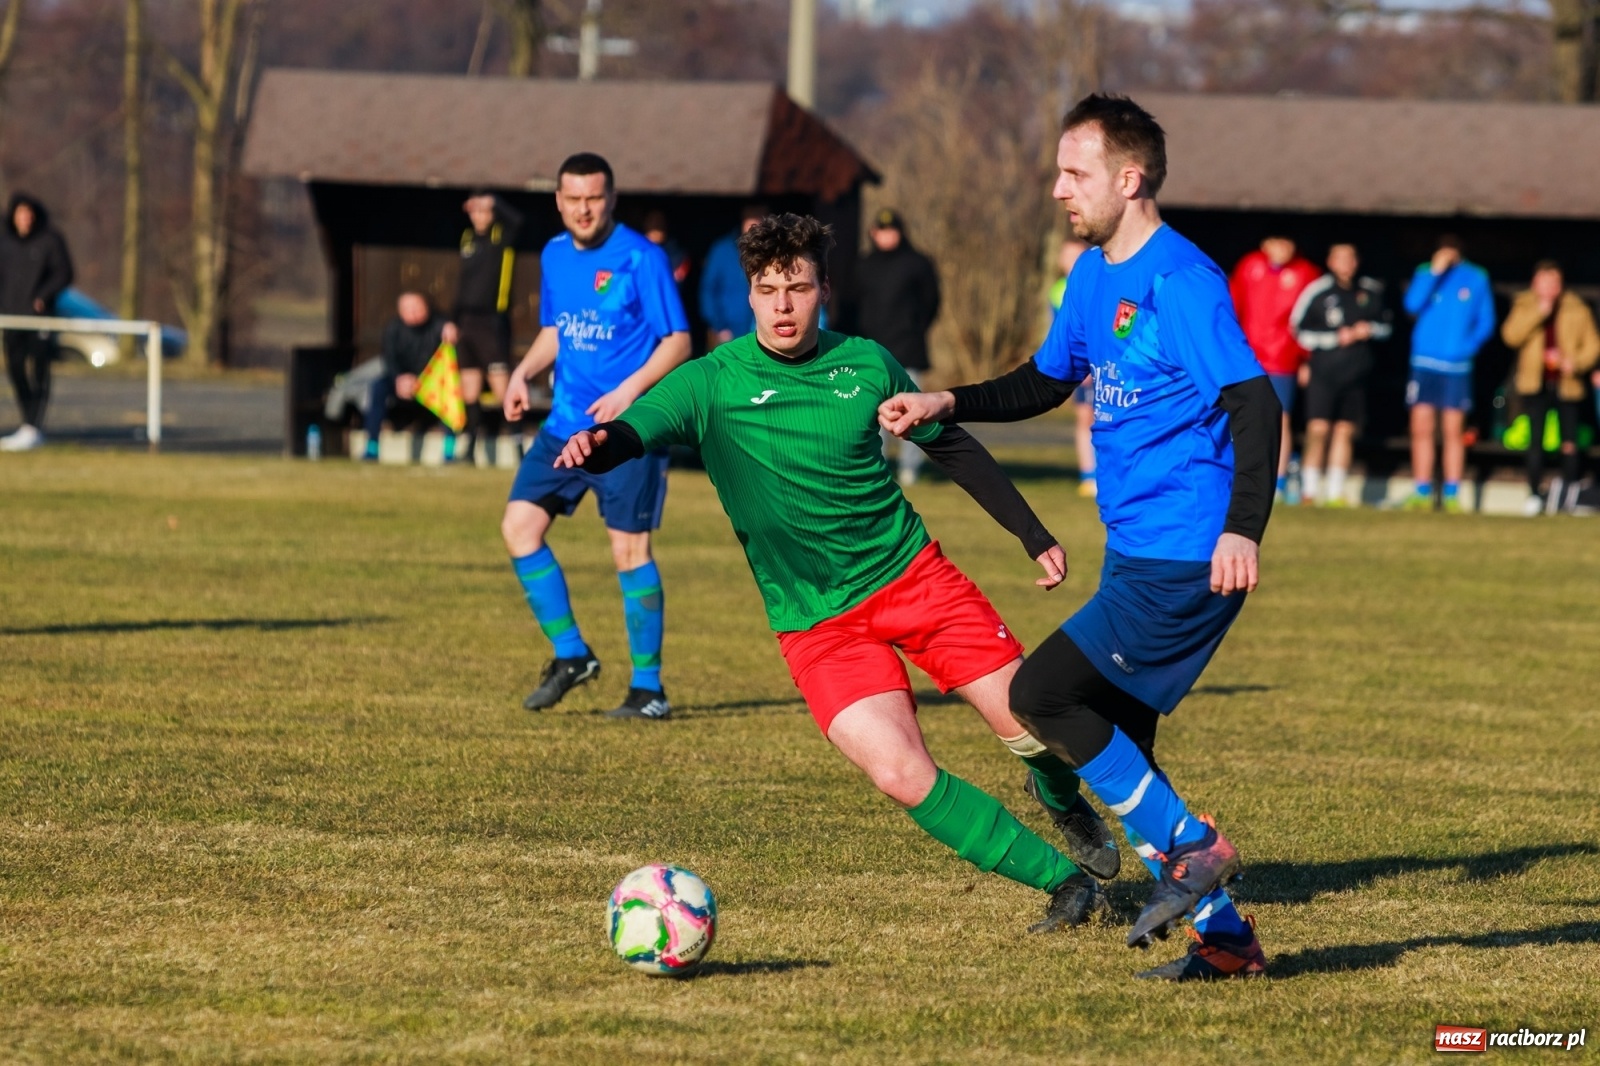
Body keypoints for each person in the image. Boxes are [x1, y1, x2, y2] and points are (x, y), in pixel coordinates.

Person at [554, 212, 1116, 932]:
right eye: (767, 289)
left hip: (915, 582)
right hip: (817, 621)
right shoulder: (711, 383)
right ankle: (1067, 885)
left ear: (826, 289)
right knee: (899, 772)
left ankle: (1062, 798)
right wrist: (595, 445)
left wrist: (1031, 533)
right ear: (748, 297)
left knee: (1033, 726)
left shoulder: (867, 363)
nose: (783, 305)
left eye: (798, 287)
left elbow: (950, 446)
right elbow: (631, 431)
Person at [880, 93, 1281, 982]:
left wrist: (1242, 529)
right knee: (1124, 748)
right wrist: (951, 400)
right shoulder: (1095, 275)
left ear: (1128, 179)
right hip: (1138, 553)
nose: (1058, 188)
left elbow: (1255, 403)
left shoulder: (1182, 281)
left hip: (1186, 553)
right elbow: (1045, 379)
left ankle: (1196, 850)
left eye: (1075, 172)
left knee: (1043, 694)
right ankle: (1227, 944)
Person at [500, 153, 691, 719]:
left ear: (611, 199)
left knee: (628, 551)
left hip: (624, 436)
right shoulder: (555, 255)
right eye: (573, 198)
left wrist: (630, 392)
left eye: (594, 198)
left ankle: (649, 689)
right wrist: (521, 372)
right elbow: (558, 330)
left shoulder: (641, 257)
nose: (584, 209)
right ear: (559, 201)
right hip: (562, 428)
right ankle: (571, 655)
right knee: (519, 527)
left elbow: (678, 342)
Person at [1289, 243, 1392, 507]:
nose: (1347, 263)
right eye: (1341, 258)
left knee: (1345, 431)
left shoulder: (1370, 289)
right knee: (1318, 429)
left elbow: (1387, 327)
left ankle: (1335, 492)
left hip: (1355, 375)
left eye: (1351, 258)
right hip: (1324, 373)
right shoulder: (1318, 290)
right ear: (1331, 261)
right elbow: (1298, 329)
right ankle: (1310, 490)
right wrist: (1336, 337)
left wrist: (1369, 330)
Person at [1402, 235, 1495, 513]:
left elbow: (1486, 320)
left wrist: (1467, 346)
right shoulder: (1425, 272)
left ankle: (1453, 493)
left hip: (1456, 366)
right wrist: (1433, 273)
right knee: (1421, 426)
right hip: (1424, 363)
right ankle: (1421, 490)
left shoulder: (1476, 277)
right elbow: (1411, 305)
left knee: (1454, 429)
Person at [1500, 260, 1600, 515]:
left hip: (1567, 383)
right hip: (1535, 382)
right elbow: (1510, 336)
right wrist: (1539, 313)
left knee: (1569, 441)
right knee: (1535, 440)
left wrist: (1574, 363)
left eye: (1554, 282)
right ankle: (1535, 493)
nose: (1549, 288)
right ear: (1535, 283)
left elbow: (1592, 344)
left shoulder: (1576, 308)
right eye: (1544, 282)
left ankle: (1569, 494)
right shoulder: (1524, 305)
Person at [1229, 236, 1319, 502]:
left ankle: (1277, 482)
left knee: (1281, 419)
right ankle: (1240, 478)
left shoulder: (1306, 273)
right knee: (1241, 417)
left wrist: (1306, 358)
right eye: (1275, 243)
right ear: (1264, 245)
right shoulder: (1249, 266)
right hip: (1248, 357)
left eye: (1287, 243)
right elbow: (1234, 307)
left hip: (1283, 358)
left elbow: (1311, 320)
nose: (1281, 249)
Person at [857, 208, 942, 487]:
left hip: (907, 350)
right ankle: (877, 468)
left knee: (911, 413)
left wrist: (913, 328)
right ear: (873, 233)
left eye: (891, 231)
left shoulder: (917, 264)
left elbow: (932, 302)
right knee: (873, 414)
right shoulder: (864, 265)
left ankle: (909, 469)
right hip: (871, 353)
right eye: (881, 231)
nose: (886, 236)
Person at [445, 191, 524, 463]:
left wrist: (494, 202)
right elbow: (462, 285)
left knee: (502, 388)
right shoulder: (468, 239)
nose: (479, 216)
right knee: (469, 388)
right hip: (465, 323)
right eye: (475, 211)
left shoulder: (501, 237)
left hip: (491, 322)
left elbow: (517, 220)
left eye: (484, 211)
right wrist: (452, 321)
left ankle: (518, 447)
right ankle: (469, 448)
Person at [0, 193, 74, 452]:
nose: (25, 218)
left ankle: (33, 426)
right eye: (20, 213)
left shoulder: (49, 240)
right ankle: (27, 424)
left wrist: (43, 296)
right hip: (11, 316)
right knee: (16, 368)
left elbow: (64, 272)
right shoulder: (5, 241)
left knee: (40, 369)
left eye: (28, 213)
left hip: (40, 319)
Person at [362, 292, 449, 460]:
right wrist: (399, 379)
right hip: (401, 382)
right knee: (377, 387)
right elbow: (389, 358)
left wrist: (423, 380)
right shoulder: (393, 328)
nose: (413, 312)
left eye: (417, 307)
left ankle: (449, 450)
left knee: (450, 391)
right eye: (407, 308)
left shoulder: (441, 326)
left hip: (431, 382)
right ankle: (372, 446)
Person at [1050, 237, 1097, 498]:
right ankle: (1088, 474)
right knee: (1084, 419)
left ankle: (1103, 473)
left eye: (1075, 256)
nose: (1070, 262)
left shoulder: (1093, 286)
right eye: (1066, 256)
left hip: (1096, 366)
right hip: (1079, 368)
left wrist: (1090, 364)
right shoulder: (1057, 290)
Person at [699, 204, 768, 350]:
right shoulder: (722, 250)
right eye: (751, 220)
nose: (755, 226)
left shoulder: (770, 252)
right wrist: (719, 326)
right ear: (743, 221)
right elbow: (708, 290)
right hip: (729, 332)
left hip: (762, 330)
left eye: (760, 220)